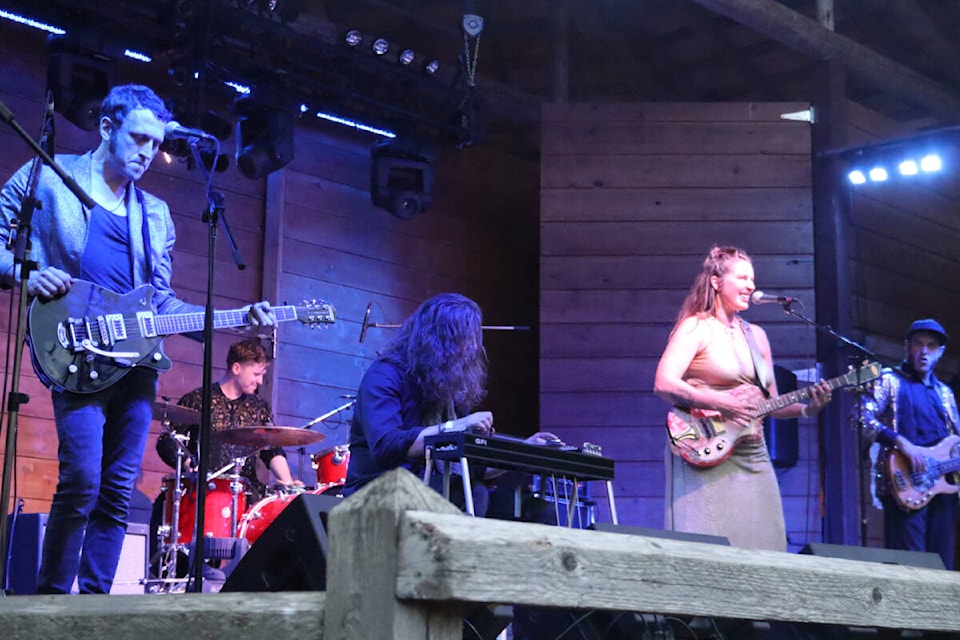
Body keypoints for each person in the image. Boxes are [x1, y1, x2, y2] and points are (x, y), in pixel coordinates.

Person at [0, 84, 274, 594]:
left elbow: (162, 305)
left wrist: (238, 319)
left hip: (138, 366)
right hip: (76, 351)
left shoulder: (155, 215)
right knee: (81, 478)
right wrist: (25, 272)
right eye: (139, 139)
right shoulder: (52, 176)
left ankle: (95, 603)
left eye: (155, 143)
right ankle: (52, 602)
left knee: (117, 488)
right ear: (107, 127)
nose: (148, 153)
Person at [653, 245, 831, 550]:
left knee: (768, 542)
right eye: (743, 277)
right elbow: (663, 384)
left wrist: (807, 410)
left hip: (752, 451)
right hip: (703, 442)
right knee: (706, 543)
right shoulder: (695, 327)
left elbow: (771, 404)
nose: (751, 286)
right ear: (716, 281)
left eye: (753, 279)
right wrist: (721, 402)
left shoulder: (756, 335)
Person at [342, 292, 557, 515]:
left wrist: (523, 453)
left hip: (437, 489)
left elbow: (473, 470)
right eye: (466, 338)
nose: (473, 348)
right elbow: (386, 446)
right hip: (381, 494)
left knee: (541, 512)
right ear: (440, 341)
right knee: (472, 493)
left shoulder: (447, 391)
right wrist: (455, 427)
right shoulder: (386, 375)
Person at [853, 318, 959, 570]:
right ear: (907, 347)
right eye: (918, 344)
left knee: (942, 568)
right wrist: (902, 444)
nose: (924, 351)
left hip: (942, 492)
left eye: (931, 346)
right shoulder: (889, 380)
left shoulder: (944, 392)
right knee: (910, 567)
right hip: (904, 486)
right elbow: (859, 417)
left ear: (940, 352)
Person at [156, 338, 300, 498]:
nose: (260, 381)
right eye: (256, 374)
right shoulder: (198, 399)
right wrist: (189, 465)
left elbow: (271, 449)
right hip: (203, 489)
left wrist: (288, 483)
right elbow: (167, 441)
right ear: (237, 368)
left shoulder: (260, 407)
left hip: (245, 491)